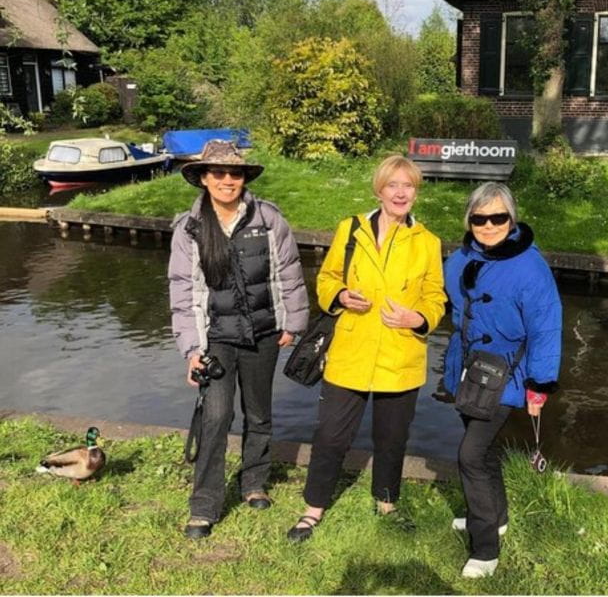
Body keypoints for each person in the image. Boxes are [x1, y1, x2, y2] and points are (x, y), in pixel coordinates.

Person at [287, 154, 446, 542]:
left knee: (392, 438)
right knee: (330, 435)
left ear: (416, 193)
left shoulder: (427, 242)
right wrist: (339, 295)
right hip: (350, 351)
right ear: (379, 190)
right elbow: (326, 278)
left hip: (400, 353)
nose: (400, 192)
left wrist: (419, 319)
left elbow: (436, 297)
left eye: (408, 185)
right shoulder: (350, 229)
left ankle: (387, 502)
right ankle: (313, 508)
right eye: (393, 185)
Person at [168, 140, 309, 539]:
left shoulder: (268, 219)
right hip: (216, 341)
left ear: (244, 177)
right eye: (218, 173)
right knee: (215, 416)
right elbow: (183, 291)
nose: (228, 180)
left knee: (258, 412)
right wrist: (192, 350)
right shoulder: (190, 228)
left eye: (235, 173)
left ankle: (254, 483)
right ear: (204, 179)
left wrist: (292, 323)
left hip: (263, 335)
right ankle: (205, 504)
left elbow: (289, 273)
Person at [442, 182, 562, 578]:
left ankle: (485, 550)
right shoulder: (460, 259)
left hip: (508, 371)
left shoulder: (531, 266)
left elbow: (546, 326)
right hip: (469, 369)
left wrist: (540, 384)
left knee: (470, 455)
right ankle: (496, 517)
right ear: (469, 220)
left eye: (498, 217)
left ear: (512, 219)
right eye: (480, 218)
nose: (488, 225)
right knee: (486, 452)